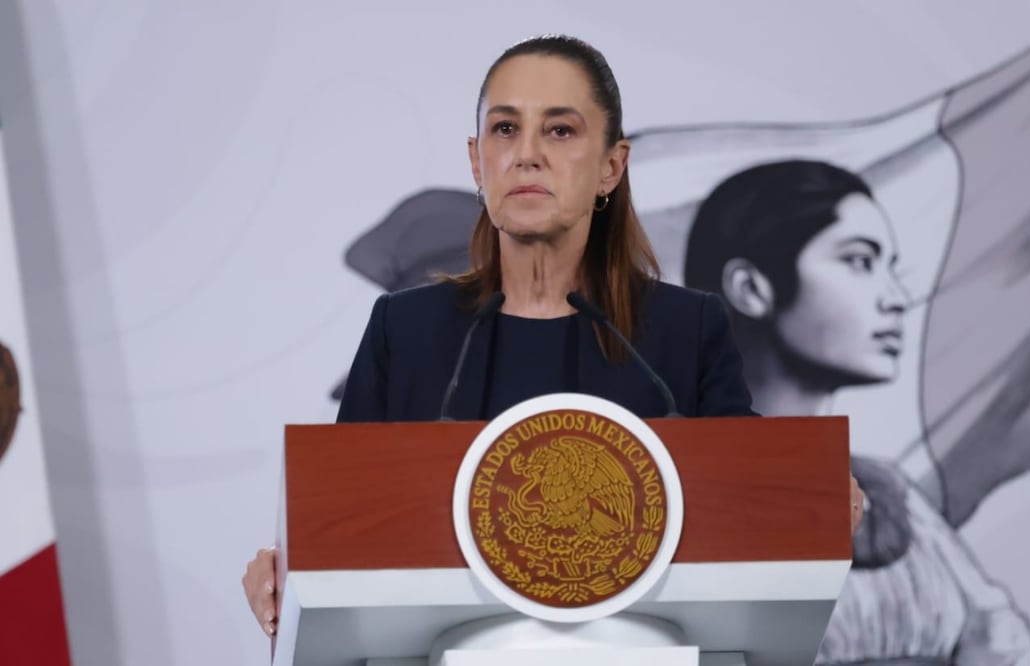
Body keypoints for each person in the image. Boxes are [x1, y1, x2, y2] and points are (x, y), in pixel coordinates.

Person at [242, 35, 866, 638]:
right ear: (477, 162)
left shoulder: (687, 329)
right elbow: (345, 517)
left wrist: (818, 497)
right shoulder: (405, 330)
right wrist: (286, 568)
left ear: (611, 167)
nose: (527, 154)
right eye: (505, 128)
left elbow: (754, 500)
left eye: (560, 130)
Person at [684, 159, 1030, 665]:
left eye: (891, 267)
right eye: (860, 261)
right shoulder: (661, 493)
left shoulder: (889, 493)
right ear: (751, 288)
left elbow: (996, 634)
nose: (896, 298)